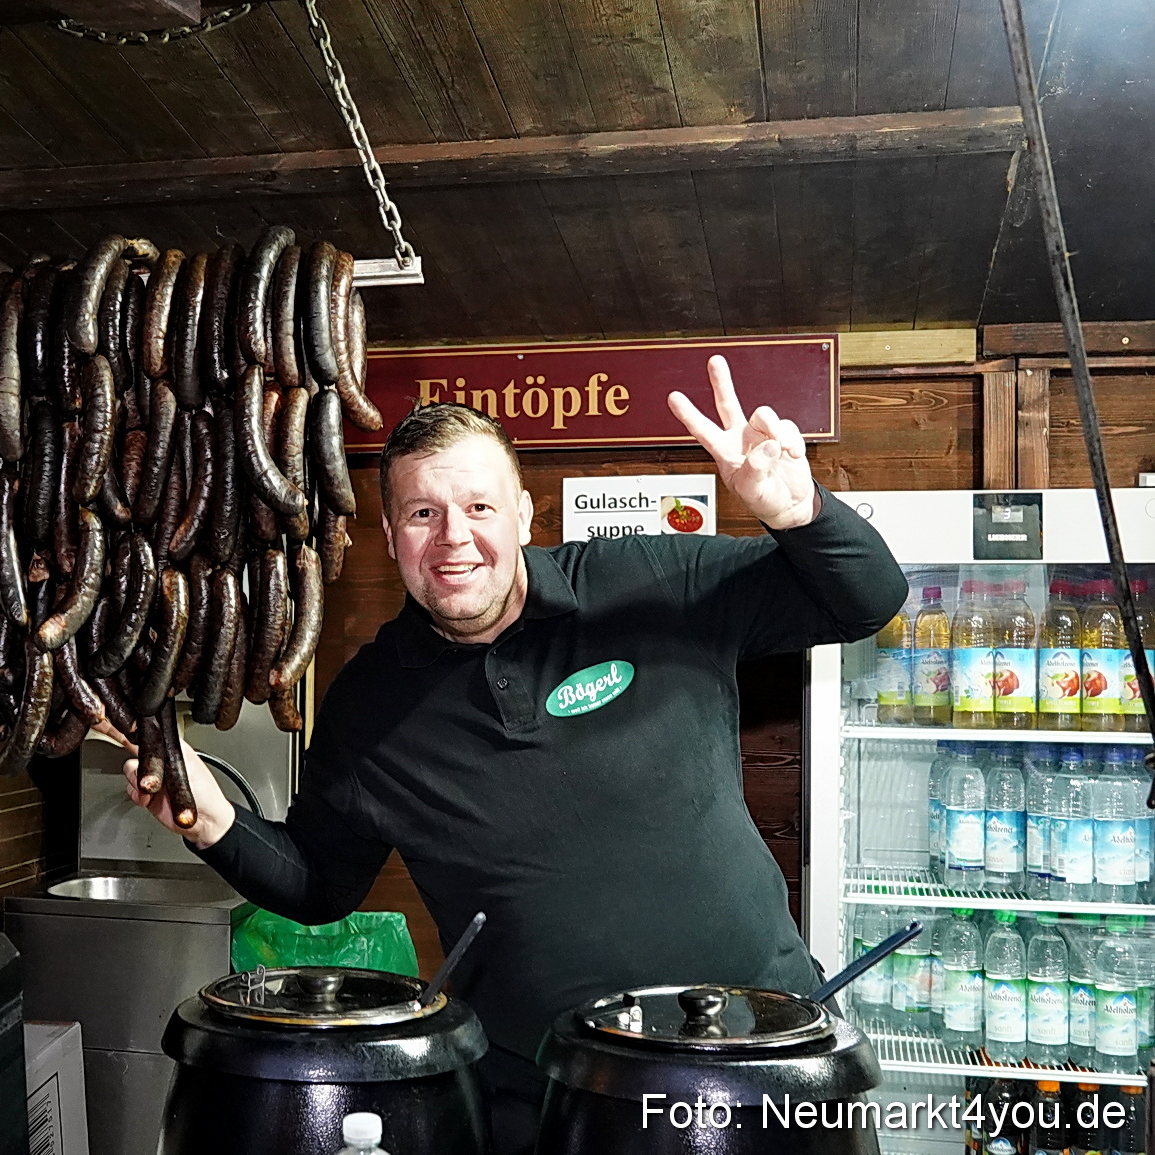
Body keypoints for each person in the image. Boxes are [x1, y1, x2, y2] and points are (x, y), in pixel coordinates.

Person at [107, 355, 907, 1153]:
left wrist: (799, 510)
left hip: (765, 1061)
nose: (454, 537)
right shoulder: (369, 701)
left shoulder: (653, 579)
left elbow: (869, 599)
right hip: (549, 1100)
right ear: (390, 535)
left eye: (478, 505)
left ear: (525, 514)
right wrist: (209, 813)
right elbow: (320, 882)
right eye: (422, 514)